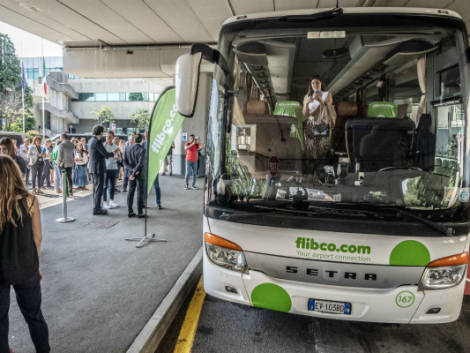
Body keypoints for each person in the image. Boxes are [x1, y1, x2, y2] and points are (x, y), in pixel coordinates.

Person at [0, 155, 50, 353]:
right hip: (27, 267)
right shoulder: (30, 201)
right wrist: (34, 265)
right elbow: (37, 238)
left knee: (1, 320)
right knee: (34, 316)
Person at [302, 76, 336, 175]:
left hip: (321, 123)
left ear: (321, 84)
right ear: (311, 85)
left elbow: (328, 110)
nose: (315, 85)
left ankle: (320, 173)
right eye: (313, 83)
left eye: (317, 83)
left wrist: (320, 100)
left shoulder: (327, 94)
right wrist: (306, 103)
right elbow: (304, 114)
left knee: (321, 148)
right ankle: (310, 172)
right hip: (310, 124)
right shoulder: (307, 96)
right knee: (310, 147)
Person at [88, 125, 116, 215]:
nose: (103, 134)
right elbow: (105, 154)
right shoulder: (97, 141)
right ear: (100, 132)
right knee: (98, 189)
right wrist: (114, 152)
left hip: (93, 167)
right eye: (103, 132)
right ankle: (97, 209)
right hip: (98, 168)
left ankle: (96, 207)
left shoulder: (91, 140)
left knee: (96, 189)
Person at [124, 133, 145, 218]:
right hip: (139, 174)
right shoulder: (142, 149)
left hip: (130, 174)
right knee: (139, 193)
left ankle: (130, 211)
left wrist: (131, 171)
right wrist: (134, 172)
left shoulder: (128, 148)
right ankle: (140, 212)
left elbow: (124, 162)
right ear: (142, 140)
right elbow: (140, 163)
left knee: (130, 192)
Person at [103, 131, 119, 209]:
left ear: (113, 137)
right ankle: (105, 202)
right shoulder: (104, 146)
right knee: (105, 186)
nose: (108, 138)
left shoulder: (116, 146)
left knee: (112, 186)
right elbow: (104, 155)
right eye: (106, 137)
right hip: (106, 168)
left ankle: (111, 201)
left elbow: (119, 156)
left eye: (109, 137)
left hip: (114, 168)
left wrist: (117, 157)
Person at [56, 134, 75, 198]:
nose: (60, 139)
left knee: (64, 179)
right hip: (70, 163)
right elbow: (73, 154)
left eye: (60, 137)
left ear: (62, 137)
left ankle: (66, 193)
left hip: (63, 164)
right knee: (69, 178)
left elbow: (60, 156)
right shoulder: (72, 144)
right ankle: (71, 192)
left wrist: (57, 163)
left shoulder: (61, 145)